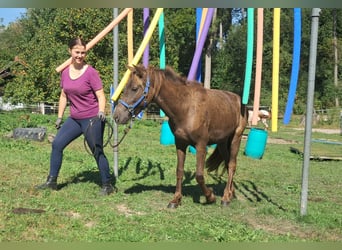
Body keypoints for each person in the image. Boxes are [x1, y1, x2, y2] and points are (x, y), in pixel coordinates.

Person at [36, 37, 115, 195]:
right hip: (74, 118)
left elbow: (101, 96)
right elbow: (64, 95)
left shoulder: (91, 73)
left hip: (92, 118)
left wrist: (101, 111)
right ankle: (52, 181)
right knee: (57, 144)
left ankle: (108, 185)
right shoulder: (65, 73)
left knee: (96, 150)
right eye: (77, 52)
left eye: (83, 52)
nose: (80, 55)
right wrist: (59, 117)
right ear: (70, 51)